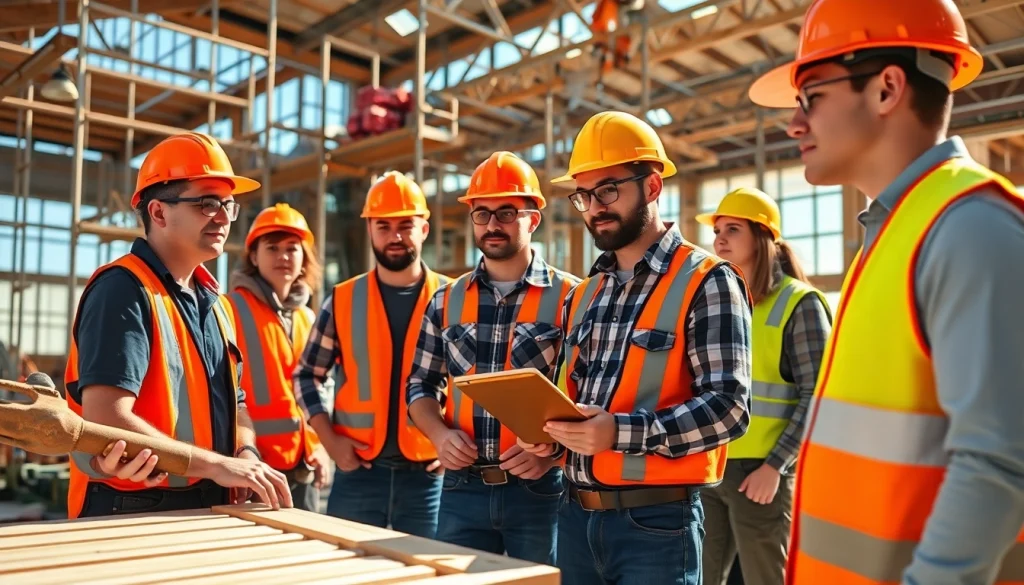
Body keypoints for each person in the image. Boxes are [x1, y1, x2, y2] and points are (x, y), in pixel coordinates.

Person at [746, 1, 1024, 583]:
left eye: (811, 97)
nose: (795, 124)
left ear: (886, 89)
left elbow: (1001, 461)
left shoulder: (969, 227)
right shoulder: (899, 230)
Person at [520, 110, 754, 585]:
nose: (594, 206)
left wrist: (618, 434)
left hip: (656, 526)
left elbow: (729, 409)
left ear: (652, 187)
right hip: (574, 515)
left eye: (608, 190)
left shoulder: (708, 281)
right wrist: (550, 439)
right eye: (583, 195)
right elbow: (582, 404)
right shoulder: (584, 294)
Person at [64, 131, 293, 519]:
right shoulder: (122, 289)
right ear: (158, 212)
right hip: (129, 507)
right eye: (206, 204)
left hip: (205, 500)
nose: (222, 217)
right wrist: (219, 466)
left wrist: (246, 455)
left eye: (228, 205)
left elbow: (236, 402)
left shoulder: (216, 303)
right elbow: (106, 417)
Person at [406, 151, 580, 565]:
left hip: (540, 489)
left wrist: (554, 451)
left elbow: (590, 393)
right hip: (462, 489)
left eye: (506, 212)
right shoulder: (445, 300)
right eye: (481, 214)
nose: (492, 225)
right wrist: (439, 436)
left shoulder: (574, 297)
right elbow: (419, 385)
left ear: (533, 218)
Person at [293, 171, 448, 537]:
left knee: (428, 576)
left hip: (428, 477)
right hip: (358, 472)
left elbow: (472, 382)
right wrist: (329, 440)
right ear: (370, 230)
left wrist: (451, 445)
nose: (394, 236)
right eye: (383, 225)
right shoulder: (343, 299)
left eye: (405, 225)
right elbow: (306, 374)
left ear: (424, 229)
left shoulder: (452, 297)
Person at [694, 188, 833, 585]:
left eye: (732, 229)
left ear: (762, 237)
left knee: (765, 579)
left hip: (761, 473)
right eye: (717, 229)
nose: (719, 239)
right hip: (711, 469)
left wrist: (776, 466)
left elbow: (818, 395)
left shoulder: (799, 303)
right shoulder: (717, 303)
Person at [223, 203, 331, 512]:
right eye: (272, 248)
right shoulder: (229, 309)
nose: (283, 256)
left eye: (292, 248)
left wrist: (318, 445)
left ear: (303, 259)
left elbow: (317, 390)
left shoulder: (307, 318)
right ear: (254, 257)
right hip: (253, 470)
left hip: (303, 469)